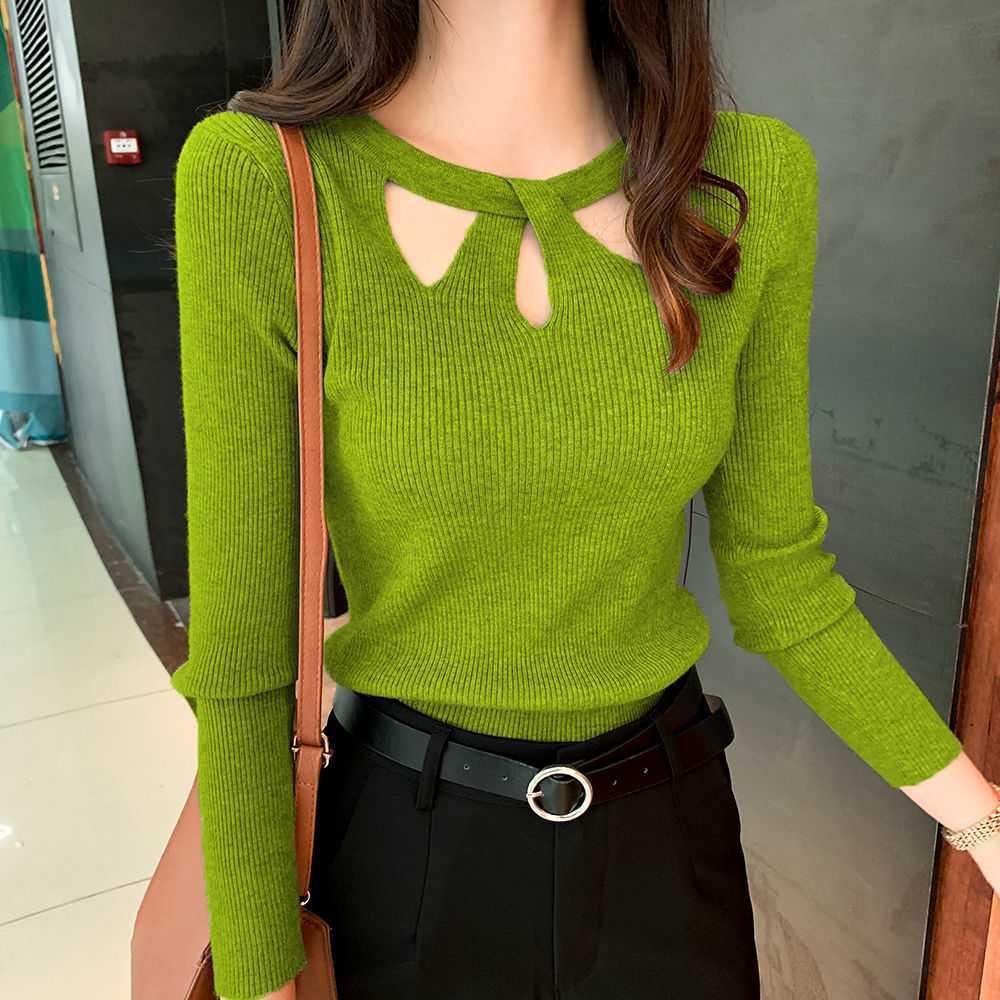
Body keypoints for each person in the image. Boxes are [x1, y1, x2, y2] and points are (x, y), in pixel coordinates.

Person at [169, 2, 1000, 998]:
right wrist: (260, 976)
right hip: (406, 850)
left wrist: (984, 826)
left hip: (669, 836)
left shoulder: (746, 181)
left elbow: (781, 577)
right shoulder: (265, 178)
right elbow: (246, 658)